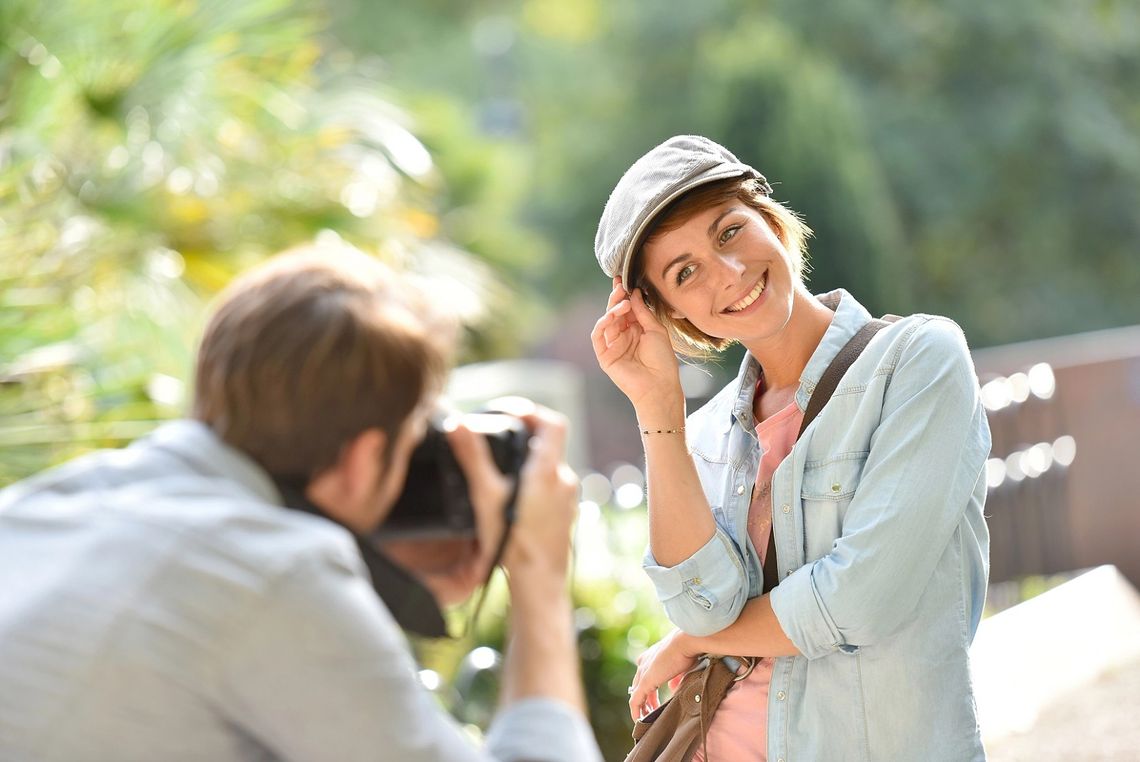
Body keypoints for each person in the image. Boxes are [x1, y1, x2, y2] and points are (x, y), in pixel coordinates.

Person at [0, 246, 602, 762]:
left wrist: (387, 584)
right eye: (416, 436)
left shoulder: (45, 504)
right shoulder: (277, 573)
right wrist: (541, 577)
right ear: (366, 459)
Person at [591, 135, 991, 761]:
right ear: (667, 311)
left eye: (728, 232)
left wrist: (701, 643)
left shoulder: (918, 362)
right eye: (684, 273)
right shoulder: (702, 436)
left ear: (769, 219)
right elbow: (701, 606)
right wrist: (657, 408)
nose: (728, 274)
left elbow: (859, 601)